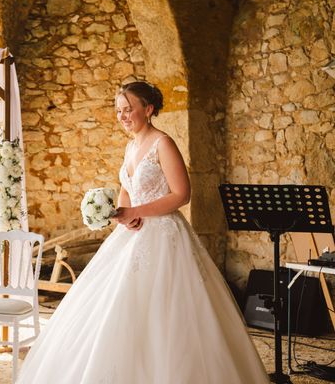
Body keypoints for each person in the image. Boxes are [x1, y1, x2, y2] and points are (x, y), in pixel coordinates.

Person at [16, 81, 269, 383]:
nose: (122, 116)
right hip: (131, 234)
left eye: (128, 109)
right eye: (119, 110)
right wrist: (125, 215)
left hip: (164, 236)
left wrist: (136, 211)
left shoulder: (163, 143)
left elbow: (181, 194)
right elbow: (127, 188)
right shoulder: (131, 145)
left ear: (148, 110)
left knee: (167, 311)